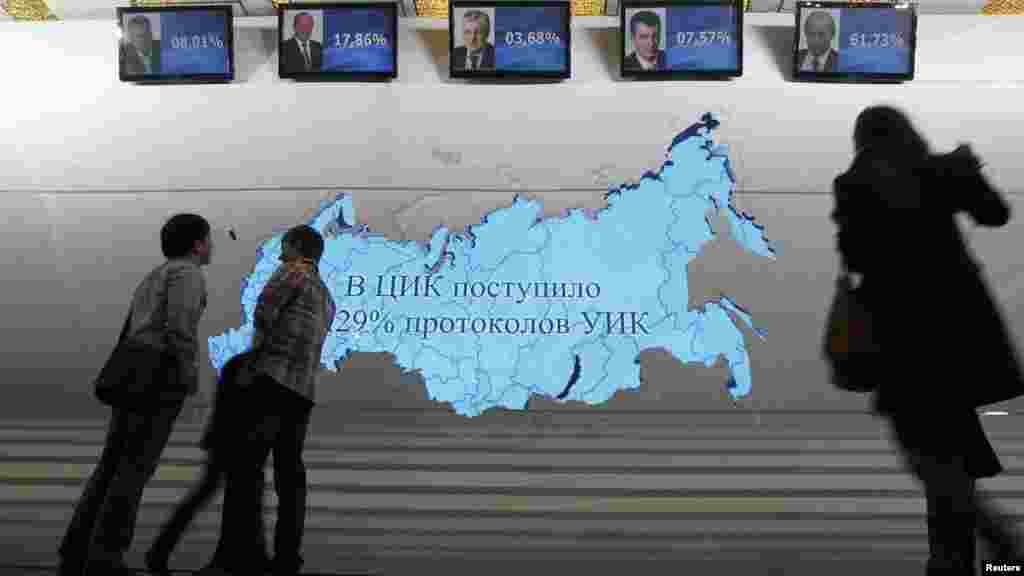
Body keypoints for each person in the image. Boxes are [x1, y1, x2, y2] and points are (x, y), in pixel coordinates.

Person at [832, 105, 1024, 574]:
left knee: (932, 457)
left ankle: (977, 551)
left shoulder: (853, 184)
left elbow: (854, 256)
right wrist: (967, 171)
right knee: (946, 455)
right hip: (957, 340)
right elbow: (995, 213)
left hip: (900, 343)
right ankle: (982, 550)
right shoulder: (939, 170)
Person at [57, 213, 212, 576]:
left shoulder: (153, 276)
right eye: (207, 240)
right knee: (135, 468)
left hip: (133, 373)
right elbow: (180, 329)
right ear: (197, 244)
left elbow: (130, 328)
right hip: (158, 377)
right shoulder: (187, 274)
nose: (210, 246)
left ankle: (77, 547)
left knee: (111, 464)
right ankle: (106, 556)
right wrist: (189, 376)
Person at [203, 225, 336, 576]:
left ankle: (237, 558)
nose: (280, 254)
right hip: (301, 392)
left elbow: (264, 315)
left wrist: (250, 366)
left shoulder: (291, 272)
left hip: (270, 384)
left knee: (247, 471)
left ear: (296, 246)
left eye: (284, 246)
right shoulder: (326, 295)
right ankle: (287, 557)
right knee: (290, 478)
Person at [142, 349, 266, 576]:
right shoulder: (253, 367)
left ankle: (160, 550)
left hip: (224, 439)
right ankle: (160, 550)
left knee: (214, 494)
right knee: (243, 497)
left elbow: (223, 406)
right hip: (234, 440)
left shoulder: (239, 363)